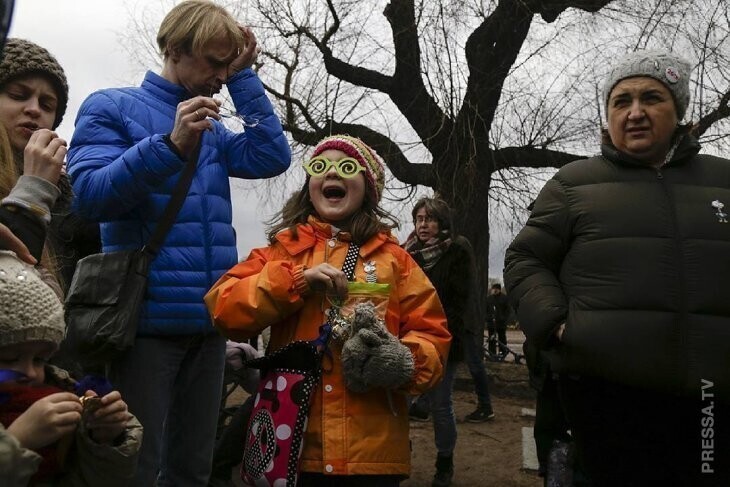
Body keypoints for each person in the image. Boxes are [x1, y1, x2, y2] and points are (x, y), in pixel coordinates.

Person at [66, 1, 291, 484]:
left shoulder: (210, 125)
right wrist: (167, 147)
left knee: (193, 466)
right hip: (144, 324)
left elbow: (271, 155)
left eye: (226, 66)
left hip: (209, 323)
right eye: (213, 63)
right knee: (135, 464)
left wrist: (243, 80)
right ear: (174, 49)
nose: (218, 77)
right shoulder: (110, 106)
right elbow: (89, 197)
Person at [504, 50, 730, 486]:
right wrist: (556, 325)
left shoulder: (724, 181)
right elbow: (525, 258)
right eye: (621, 102)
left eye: (652, 98)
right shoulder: (573, 183)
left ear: (680, 111)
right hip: (602, 398)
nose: (636, 112)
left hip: (711, 399)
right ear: (608, 117)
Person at [205, 135, 450, 486]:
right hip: (292, 447)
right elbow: (224, 307)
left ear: (368, 187)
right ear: (310, 185)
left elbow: (433, 334)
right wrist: (296, 281)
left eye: (346, 167)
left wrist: (405, 362)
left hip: (371, 457)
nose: (332, 173)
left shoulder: (396, 260)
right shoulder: (281, 251)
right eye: (320, 167)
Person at [0, 251, 142, 486]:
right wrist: (18, 441)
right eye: (9, 358)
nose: (32, 373)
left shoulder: (59, 390)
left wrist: (103, 439)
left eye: (39, 360)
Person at [403, 197, 494, 487]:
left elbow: (458, 300)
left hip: (444, 338)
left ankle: (444, 463)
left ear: (442, 223)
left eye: (430, 219)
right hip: (406, 339)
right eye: (419, 219)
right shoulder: (408, 252)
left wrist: (439, 339)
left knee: (441, 405)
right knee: (398, 402)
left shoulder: (457, 249)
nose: (423, 225)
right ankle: (399, 456)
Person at [0, 38, 100, 292]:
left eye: (47, 105)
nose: (34, 109)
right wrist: (35, 188)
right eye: (18, 95)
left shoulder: (64, 193)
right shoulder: (43, 184)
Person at [485, 283, 510, 359]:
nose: (495, 290)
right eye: (493, 289)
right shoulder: (489, 299)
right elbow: (485, 310)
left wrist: (504, 318)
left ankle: (502, 353)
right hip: (491, 323)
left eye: (496, 289)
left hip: (501, 323)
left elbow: (508, 310)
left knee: (502, 339)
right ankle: (492, 354)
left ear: (499, 290)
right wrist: (487, 318)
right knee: (491, 339)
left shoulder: (504, 298)